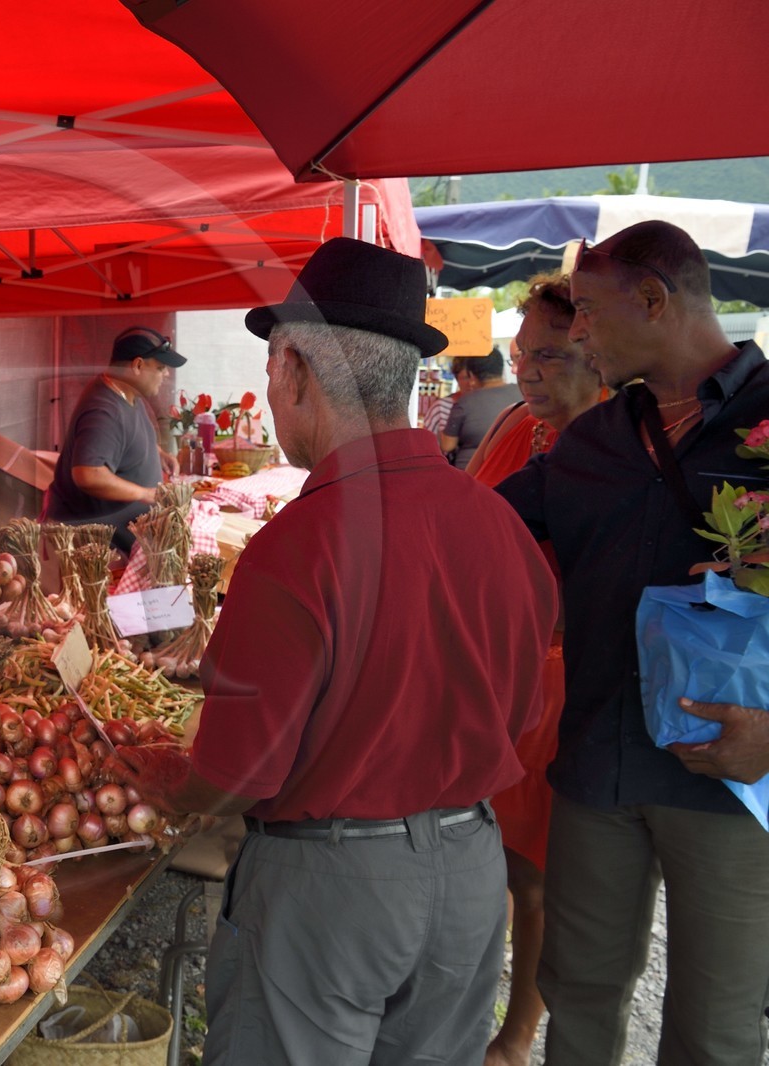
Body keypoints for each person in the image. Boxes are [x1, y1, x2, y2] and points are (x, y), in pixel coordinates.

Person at [118, 238, 557, 1065]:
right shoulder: (497, 522)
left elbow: (242, 773)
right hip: (468, 869)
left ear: (294, 372)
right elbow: (527, 709)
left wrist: (182, 785)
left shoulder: (299, 545)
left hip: (333, 888)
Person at [497, 221, 769, 1065]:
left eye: (584, 310)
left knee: (715, 1030)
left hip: (730, 781)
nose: (574, 331)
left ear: (653, 300)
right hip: (597, 770)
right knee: (578, 998)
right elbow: (480, 524)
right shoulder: (596, 439)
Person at [466, 274, 604, 1066]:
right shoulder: (518, 426)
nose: (528, 371)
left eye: (548, 355)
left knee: (537, 881)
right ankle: (467, 1001)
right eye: (522, 355)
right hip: (495, 678)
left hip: (565, 684)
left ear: (595, 354)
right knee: (480, 859)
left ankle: (518, 1034)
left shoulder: (621, 444)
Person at [45, 326, 184, 550]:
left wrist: (158, 453)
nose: (166, 374)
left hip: (122, 536)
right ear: (138, 365)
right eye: (160, 368)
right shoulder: (103, 411)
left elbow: (122, 440)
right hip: (99, 547)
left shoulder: (125, 391)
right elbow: (88, 474)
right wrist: (146, 494)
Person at [440, 346, 515, 466]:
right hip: (513, 470)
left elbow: (447, 445)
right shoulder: (522, 394)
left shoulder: (465, 401)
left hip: (471, 473)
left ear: (472, 376)